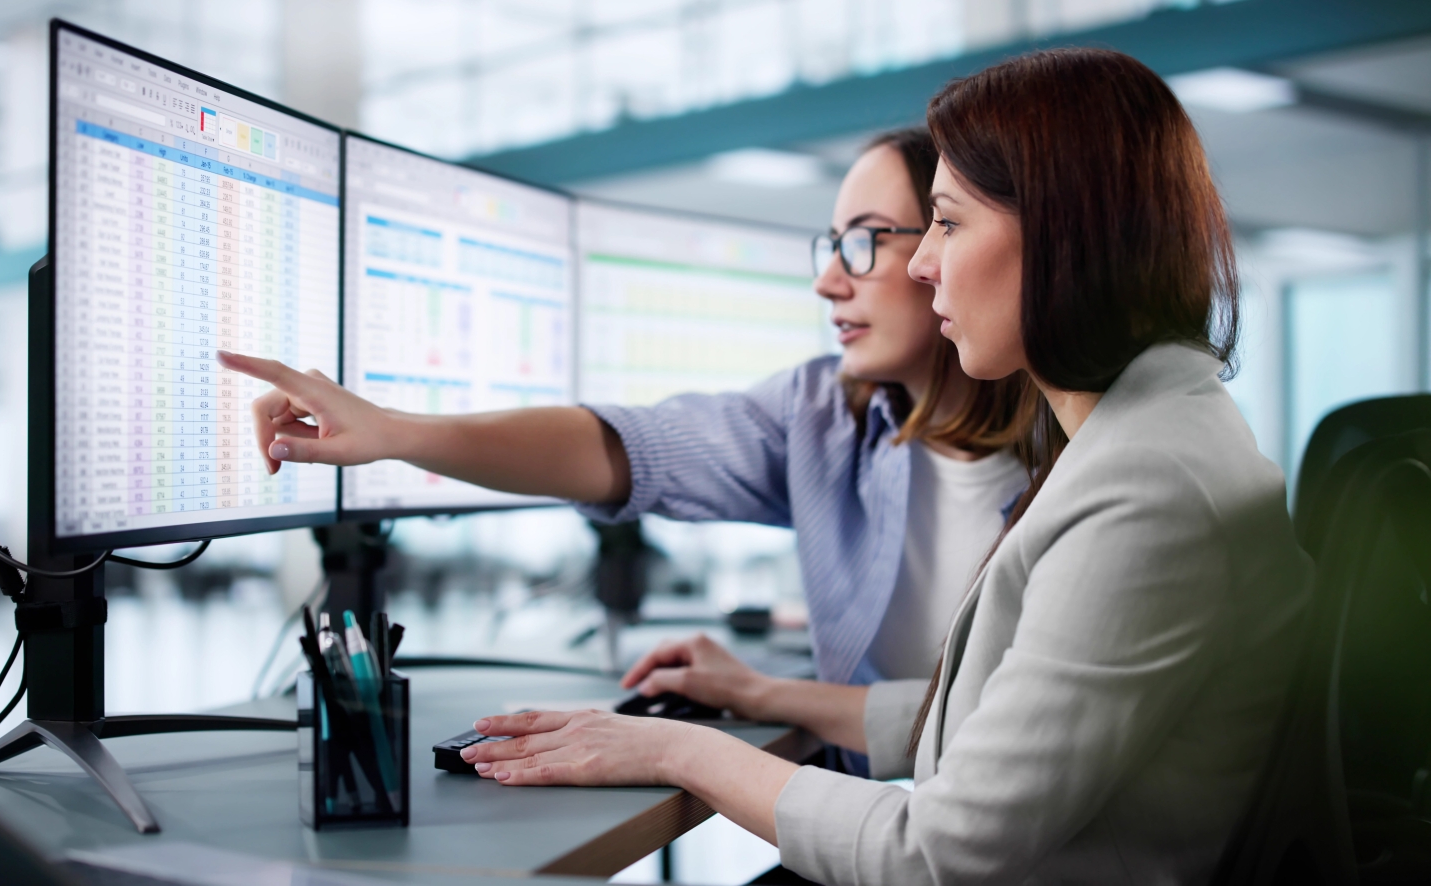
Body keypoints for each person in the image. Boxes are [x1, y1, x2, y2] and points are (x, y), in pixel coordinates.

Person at [442, 48, 1315, 885]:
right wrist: (763, 695)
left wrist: (672, 746)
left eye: (948, 222)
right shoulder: (1152, 437)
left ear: (1061, 233)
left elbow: (932, 858)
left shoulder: (1145, 487)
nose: (926, 263)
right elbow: (983, 727)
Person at [220, 128, 1036, 774]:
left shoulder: (1078, 454)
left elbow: (995, 730)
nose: (829, 282)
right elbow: (625, 448)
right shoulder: (826, 415)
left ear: (950, 242)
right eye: (830, 246)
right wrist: (399, 433)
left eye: (864, 242)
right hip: (883, 817)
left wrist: (765, 693)